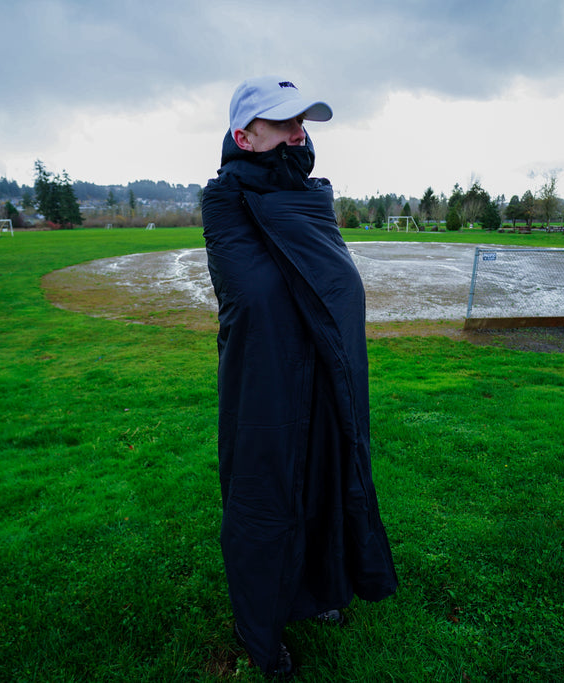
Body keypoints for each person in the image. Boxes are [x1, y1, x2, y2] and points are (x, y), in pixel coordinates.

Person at [201, 76, 398, 680]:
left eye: (303, 122)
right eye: (284, 123)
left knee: (320, 477)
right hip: (262, 382)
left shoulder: (314, 200)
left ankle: (317, 591)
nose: (299, 133)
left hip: (320, 371)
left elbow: (339, 289)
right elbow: (258, 297)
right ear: (244, 135)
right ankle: (258, 622)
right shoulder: (224, 203)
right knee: (265, 495)